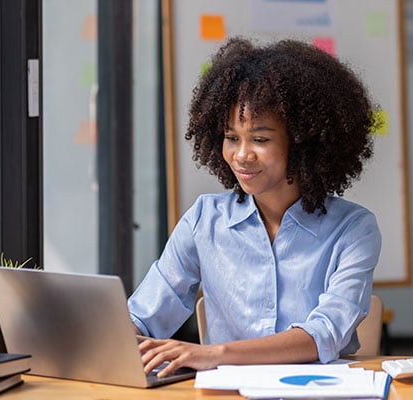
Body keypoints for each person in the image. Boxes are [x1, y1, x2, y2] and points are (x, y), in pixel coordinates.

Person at [128, 37, 382, 377]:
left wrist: (214, 354)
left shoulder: (354, 229)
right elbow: (144, 316)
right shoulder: (204, 220)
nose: (242, 155)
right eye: (232, 138)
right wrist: (120, 339)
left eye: (260, 139)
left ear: (305, 143)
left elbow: (324, 335)